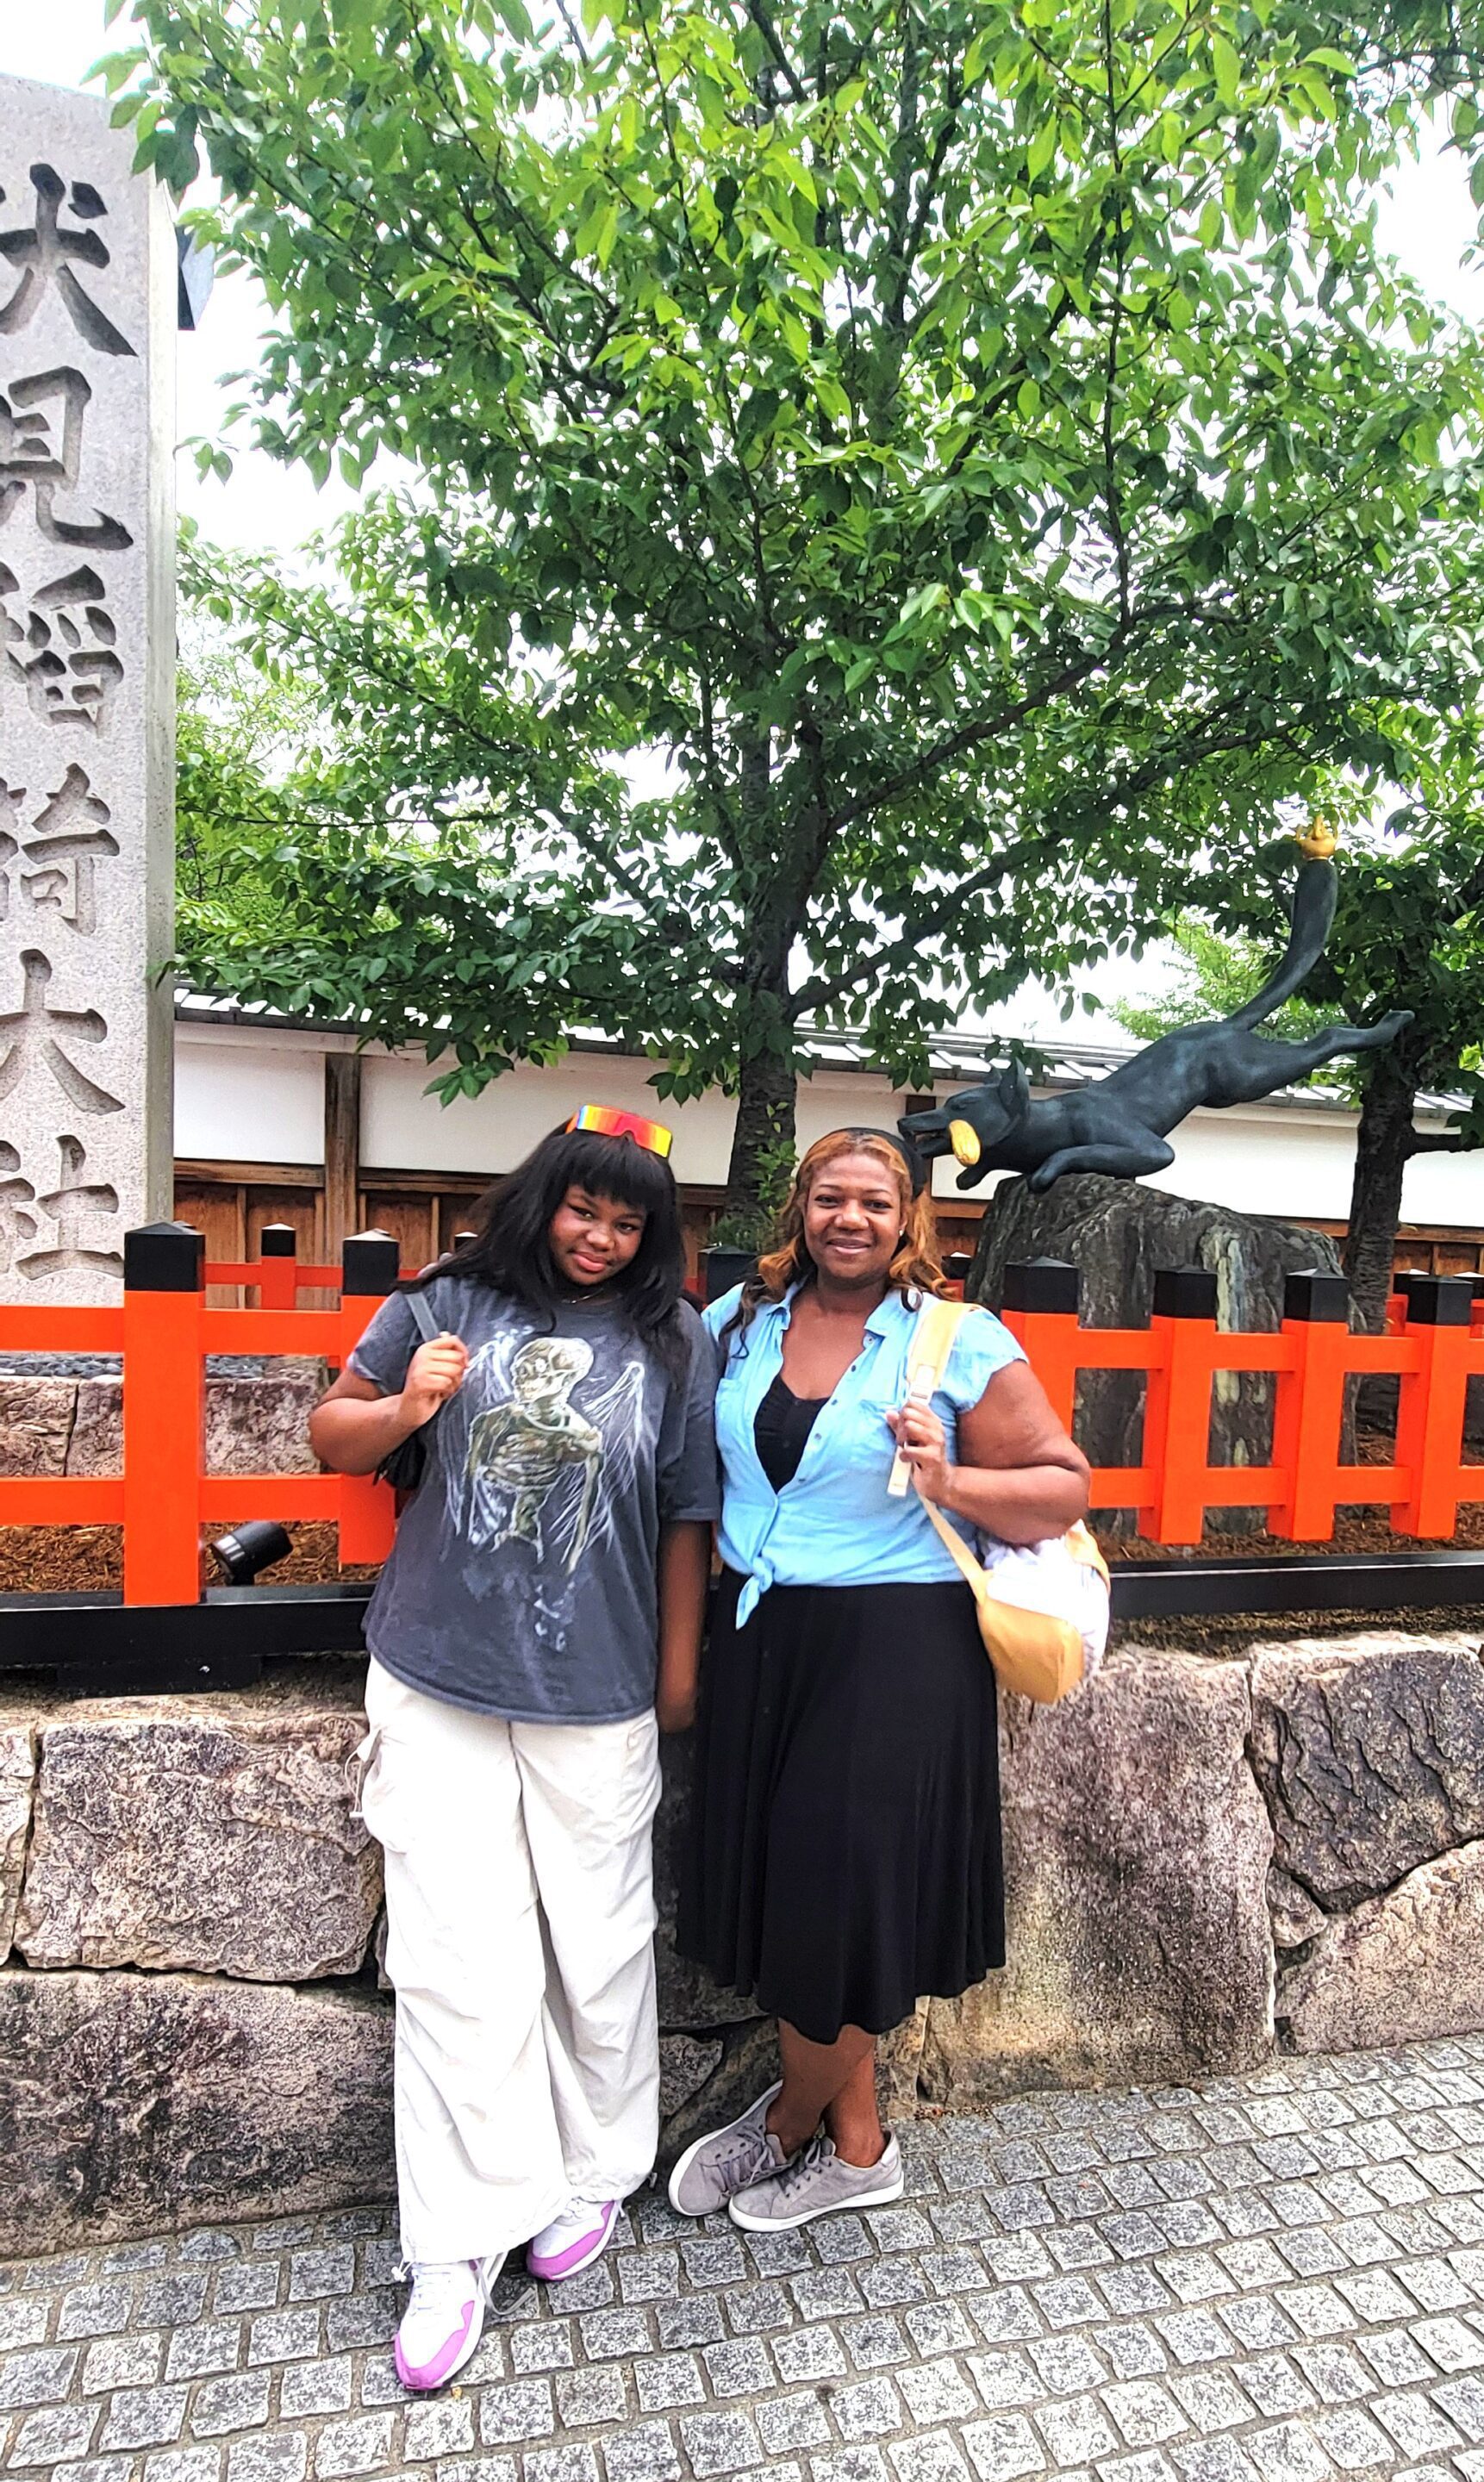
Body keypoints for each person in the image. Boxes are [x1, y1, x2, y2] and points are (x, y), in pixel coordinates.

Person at [311, 1109, 717, 2391]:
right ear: (542, 1197)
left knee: (594, 1945)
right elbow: (334, 1432)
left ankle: (594, 2171)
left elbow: (686, 1515)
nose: (598, 1237)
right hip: (437, 1672)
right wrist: (409, 1405)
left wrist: (675, 1679)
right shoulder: (447, 1303)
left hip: (595, 1686)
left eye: (626, 1220)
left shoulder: (670, 1339)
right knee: (454, 1958)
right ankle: (454, 2240)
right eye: (581, 1208)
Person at [670, 1126, 1088, 2231]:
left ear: (909, 1219)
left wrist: (949, 1475)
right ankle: (860, 2145)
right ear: (798, 1210)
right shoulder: (739, 1324)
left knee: (841, 1898)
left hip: (897, 1648)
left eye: (874, 1202)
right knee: (803, 1903)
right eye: (828, 1199)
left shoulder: (953, 1337)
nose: (849, 1219)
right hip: (763, 1635)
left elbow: (1061, 1488)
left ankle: (783, 2129)